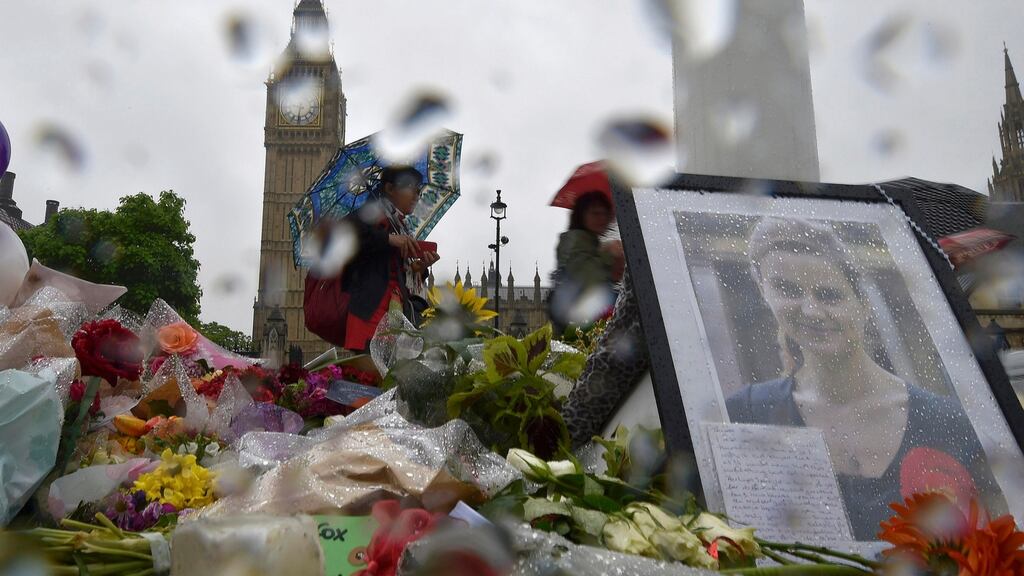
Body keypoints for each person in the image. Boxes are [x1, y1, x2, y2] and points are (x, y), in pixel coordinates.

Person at [727, 217, 1006, 539]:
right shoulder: (745, 413)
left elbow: (994, 536)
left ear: (863, 305)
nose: (811, 311)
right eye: (788, 290)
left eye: (830, 295)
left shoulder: (949, 421)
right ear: (765, 293)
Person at [337, 165, 439, 353]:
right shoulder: (370, 214)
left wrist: (418, 268)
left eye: (419, 190)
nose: (417, 195)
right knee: (370, 368)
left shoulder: (398, 224)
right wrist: (389, 239)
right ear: (390, 188)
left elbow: (390, 268)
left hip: (393, 313)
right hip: (370, 314)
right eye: (412, 188)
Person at [549, 190, 623, 336]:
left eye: (605, 213)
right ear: (581, 215)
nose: (601, 218)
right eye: (595, 213)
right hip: (575, 330)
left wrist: (617, 262)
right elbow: (588, 278)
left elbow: (609, 279)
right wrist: (608, 254)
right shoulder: (572, 241)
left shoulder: (592, 243)